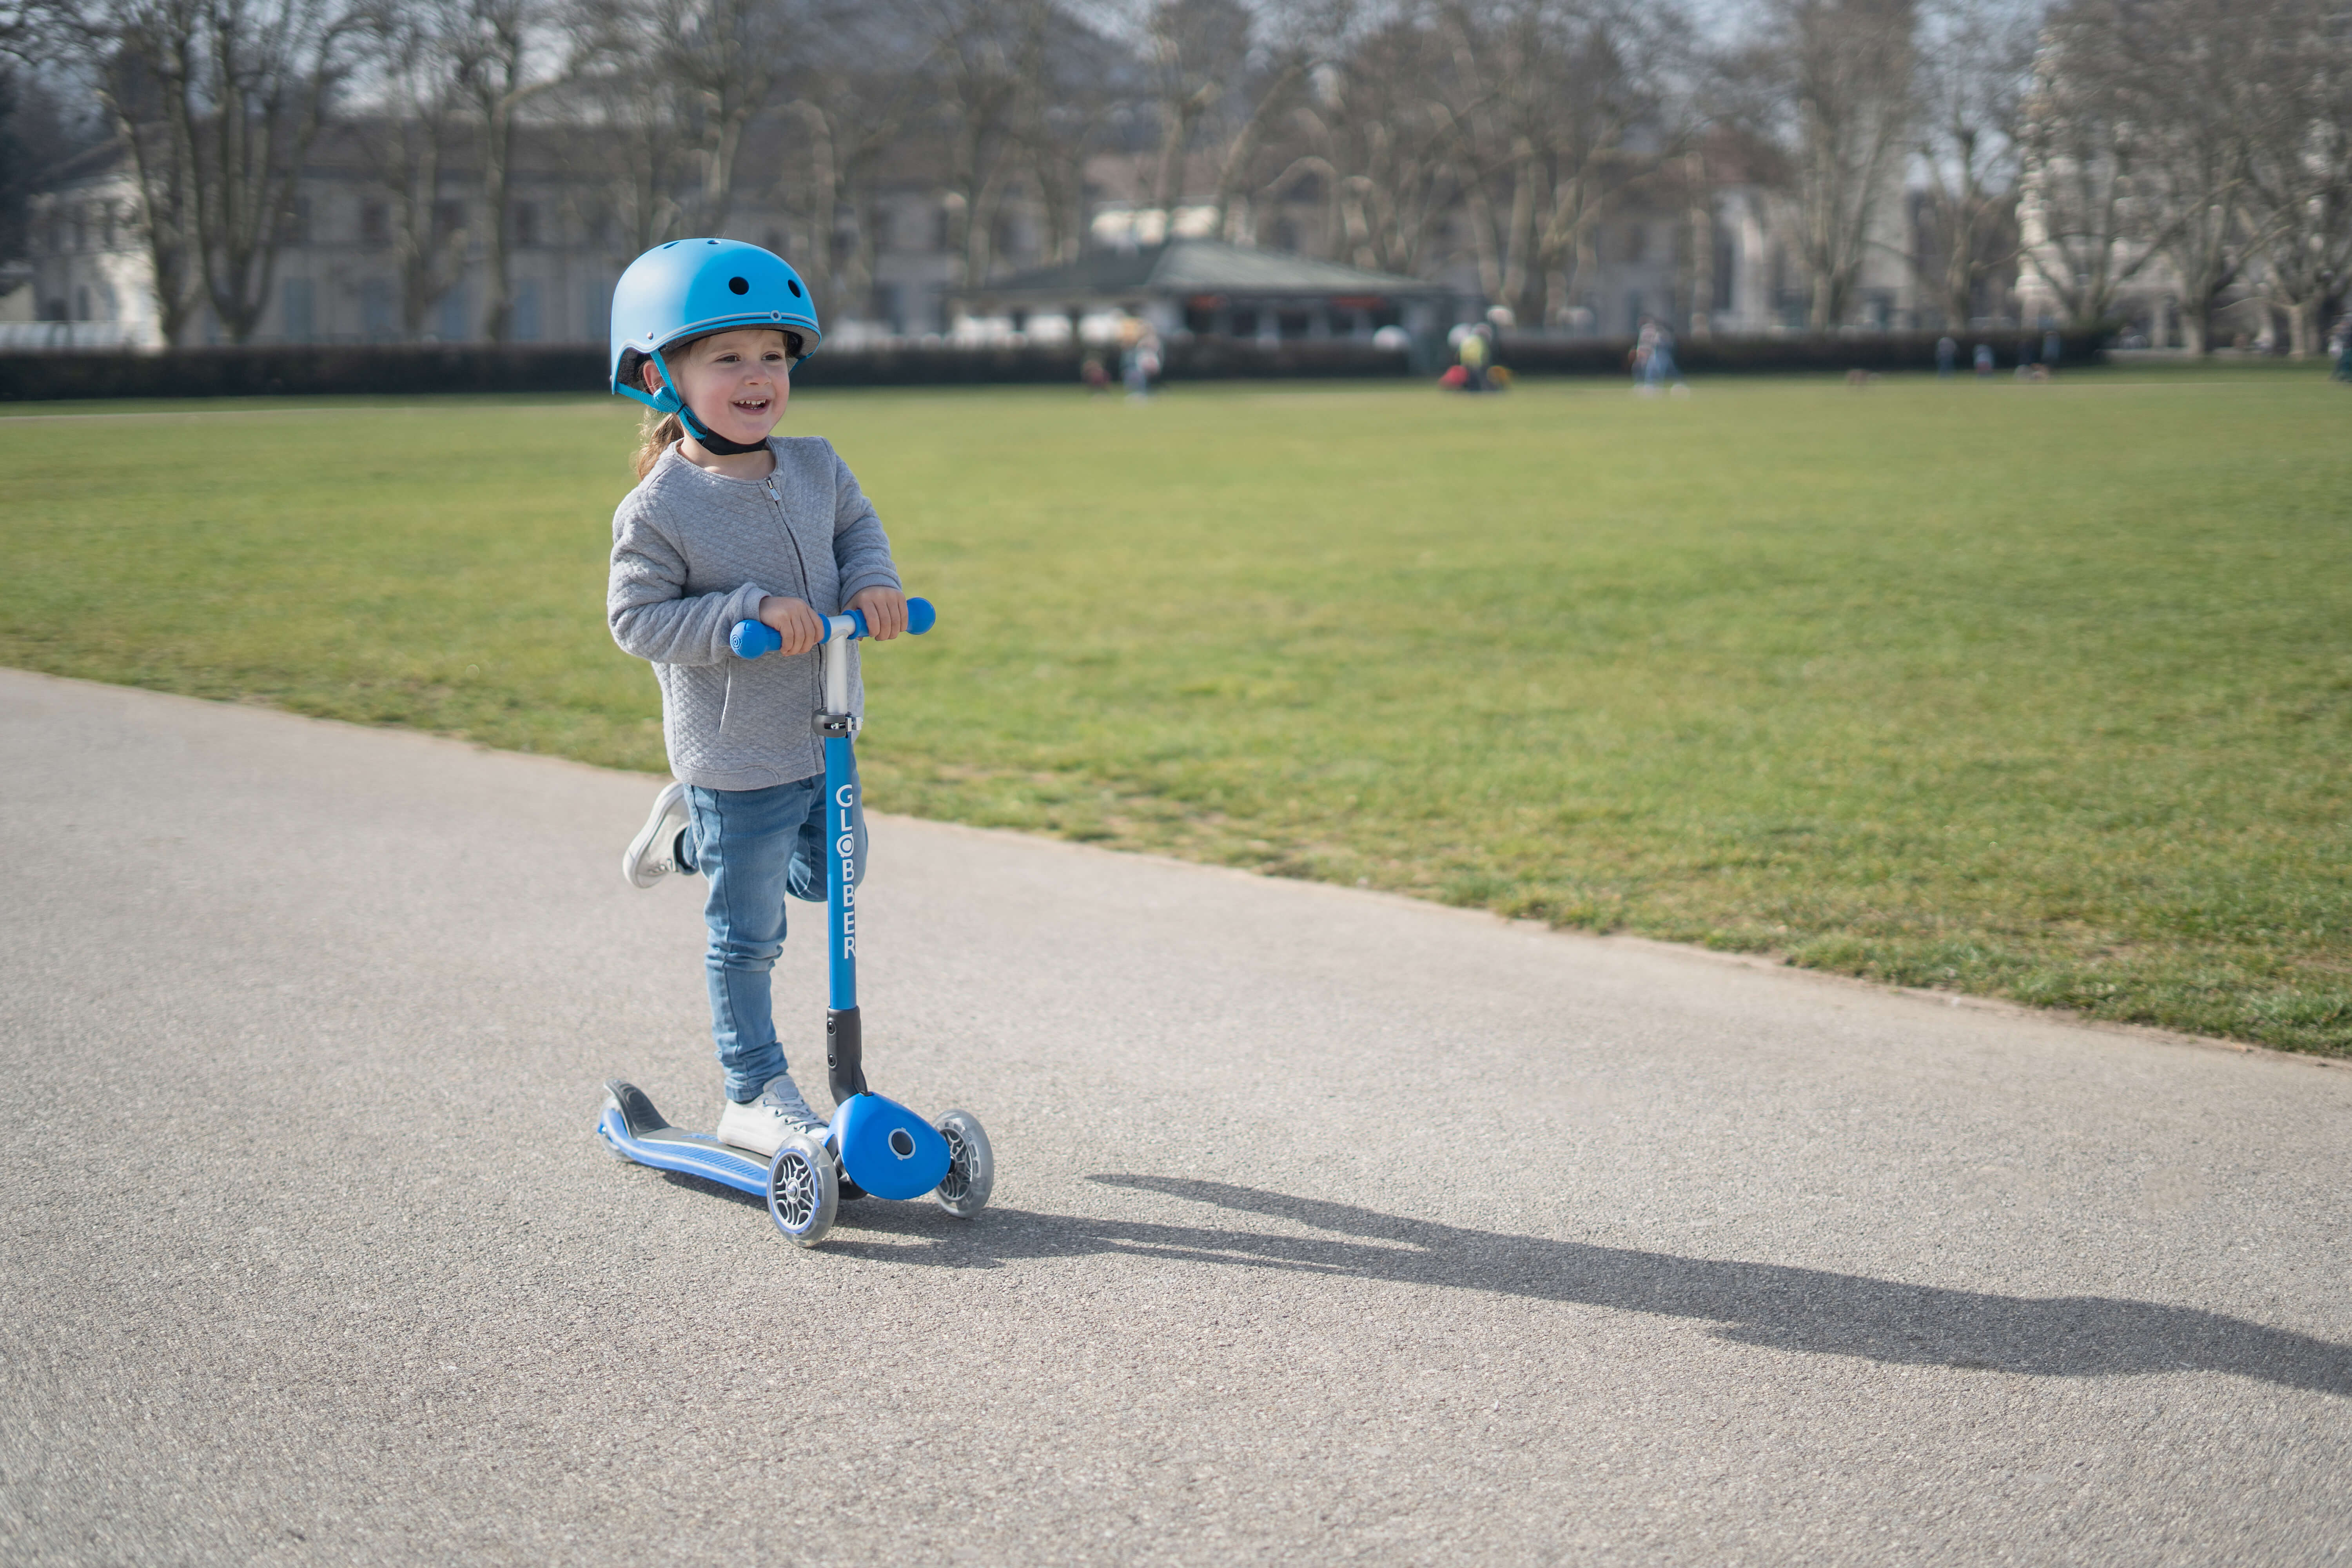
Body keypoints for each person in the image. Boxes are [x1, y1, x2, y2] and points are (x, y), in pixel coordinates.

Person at [605, 238, 909, 1158]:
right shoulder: (661, 505)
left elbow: (856, 529)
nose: (756, 377)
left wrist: (873, 582)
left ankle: (690, 841)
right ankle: (753, 1088)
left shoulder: (815, 465)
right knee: (751, 935)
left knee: (835, 879)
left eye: (772, 357)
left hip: (826, 734)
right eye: (726, 356)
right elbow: (636, 619)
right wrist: (750, 612)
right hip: (735, 754)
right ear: (663, 373)